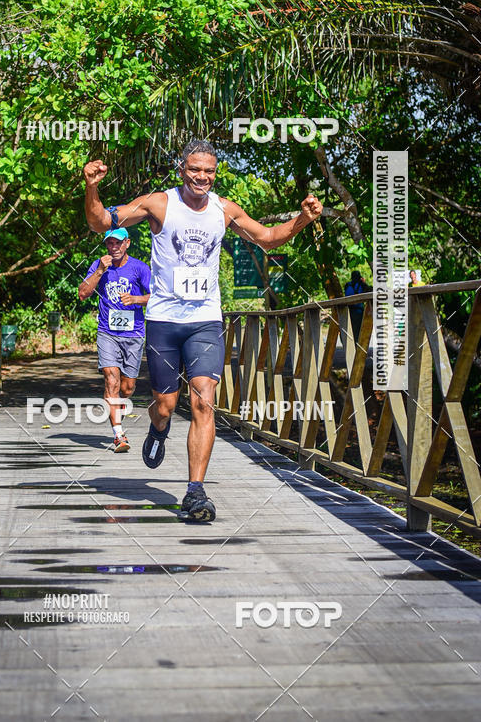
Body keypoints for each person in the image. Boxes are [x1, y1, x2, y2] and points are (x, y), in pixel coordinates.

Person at [83, 139, 323, 522]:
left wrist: (304, 219)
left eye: (209, 171)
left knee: (202, 400)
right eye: (195, 169)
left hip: (205, 320)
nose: (202, 177)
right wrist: (92, 187)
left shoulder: (224, 210)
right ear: (183, 169)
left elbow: (266, 238)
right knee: (165, 405)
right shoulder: (160, 203)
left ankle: (195, 491)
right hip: (163, 320)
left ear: (215, 173)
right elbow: (101, 222)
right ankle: (157, 429)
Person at [78, 228, 151, 452]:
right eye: (110, 243)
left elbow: (157, 296)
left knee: (127, 389)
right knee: (112, 381)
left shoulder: (140, 268)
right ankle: (118, 435)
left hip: (134, 334)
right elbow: (82, 293)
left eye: (118, 243)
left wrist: (136, 299)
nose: (114, 248)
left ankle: (118, 408)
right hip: (107, 332)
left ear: (127, 243)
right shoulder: (99, 266)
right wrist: (100, 271)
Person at [344, 270, 368, 340]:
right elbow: (368, 290)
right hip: (359, 311)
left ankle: (352, 345)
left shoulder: (347, 285)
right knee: (358, 330)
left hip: (349, 310)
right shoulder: (361, 284)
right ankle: (357, 345)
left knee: (351, 329)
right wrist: (363, 282)